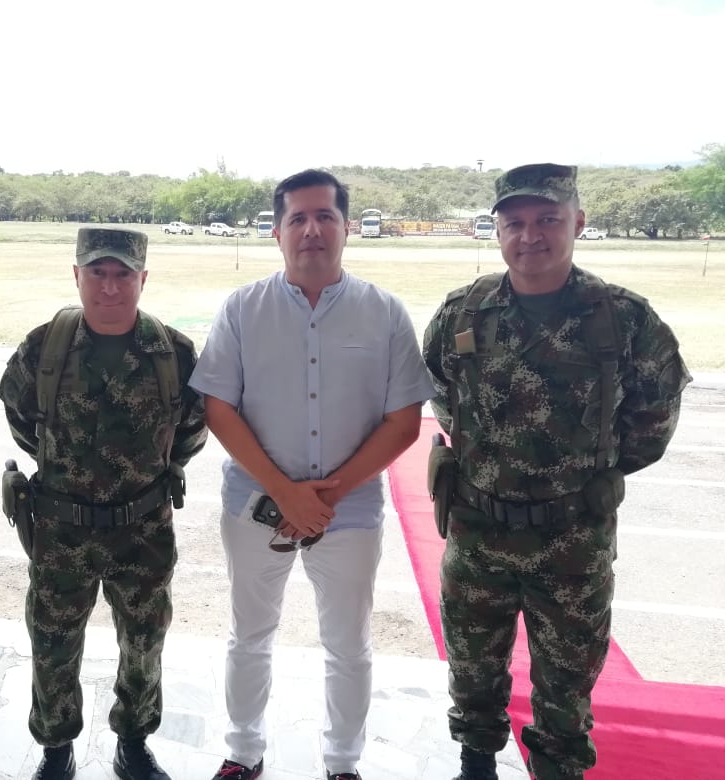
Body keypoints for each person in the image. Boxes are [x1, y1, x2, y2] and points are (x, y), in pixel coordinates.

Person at [422, 163, 691, 780]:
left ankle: (557, 768)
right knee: (472, 666)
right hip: (478, 532)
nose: (530, 235)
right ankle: (476, 761)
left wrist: (591, 472)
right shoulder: (465, 311)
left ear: (578, 222)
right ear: (497, 230)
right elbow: (441, 390)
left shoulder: (622, 318)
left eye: (548, 219)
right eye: (514, 222)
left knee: (567, 682)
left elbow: (654, 415)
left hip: (571, 540)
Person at [190, 169, 435, 780]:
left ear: (346, 227)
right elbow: (218, 407)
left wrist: (326, 496)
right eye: (297, 218)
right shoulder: (243, 309)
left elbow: (404, 420)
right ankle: (243, 752)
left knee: (348, 644)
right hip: (255, 506)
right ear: (276, 232)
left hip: (347, 513)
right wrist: (284, 492)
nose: (311, 229)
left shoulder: (384, 313)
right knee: (250, 634)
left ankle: (342, 763)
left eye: (324, 216)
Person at [0, 227, 207, 780]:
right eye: (97, 273)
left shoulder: (175, 354)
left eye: (122, 274)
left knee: (144, 641)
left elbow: (190, 434)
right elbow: (22, 421)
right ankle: (55, 747)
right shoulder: (45, 347)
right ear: (77, 275)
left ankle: (133, 743)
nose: (109, 287)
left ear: (142, 278)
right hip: (61, 531)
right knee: (52, 643)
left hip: (143, 529)